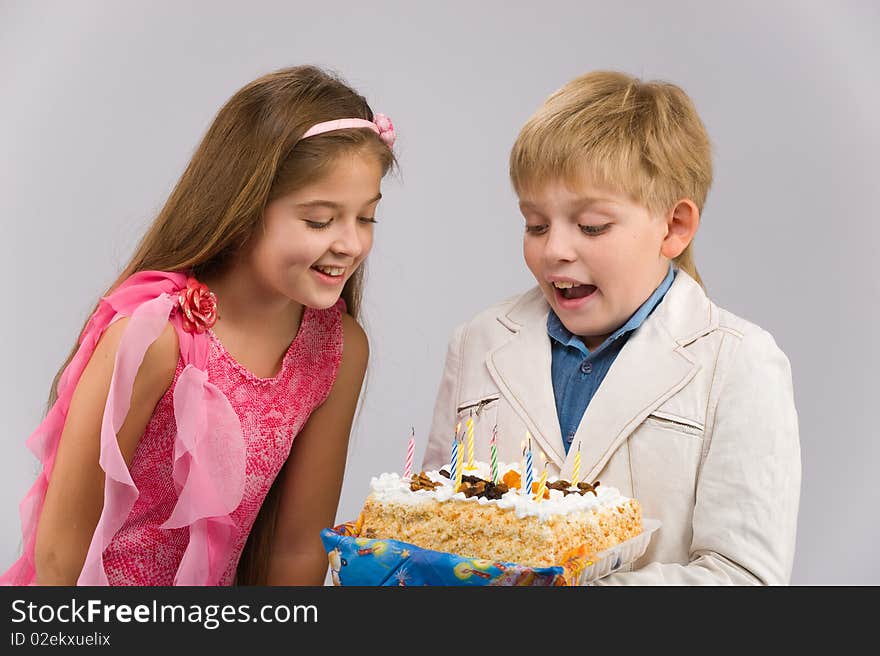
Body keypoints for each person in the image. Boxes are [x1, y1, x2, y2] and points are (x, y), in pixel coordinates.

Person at [2, 65, 396, 586]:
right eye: (319, 220)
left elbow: (296, 550)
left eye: (365, 217)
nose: (350, 243)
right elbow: (58, 556)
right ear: (244, 207)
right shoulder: (155, 336)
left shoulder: (337, 348)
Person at [422, 70, 800, 585]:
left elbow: (744, 577)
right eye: (535, 225)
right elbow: (432, 530)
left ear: (674, 227)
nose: (555, 249)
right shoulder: (478, 340)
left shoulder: (739, 363)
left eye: (592, 226)